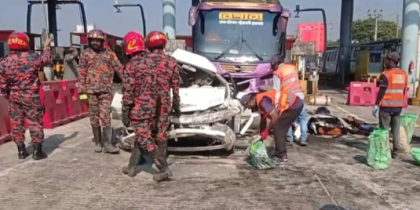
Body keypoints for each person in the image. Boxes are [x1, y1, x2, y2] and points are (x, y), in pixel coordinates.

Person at [121, 30, 179, 182]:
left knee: (144, 137)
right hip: (158, 106)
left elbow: (128, 93)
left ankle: (164, 169)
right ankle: (132, 167)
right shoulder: (161, 62)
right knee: (146, 136)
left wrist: (125, 112)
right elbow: (171, 86)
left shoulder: (133, 65)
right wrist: (175, 105)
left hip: (140, 108)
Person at [0, 32, 51, 160]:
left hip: (14, 97)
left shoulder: (4, 61)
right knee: (35, 122)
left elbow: (2, 83)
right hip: (31, 96)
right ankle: (37, 151)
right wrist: (47, 47)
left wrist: (7, 95)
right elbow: (47, 59)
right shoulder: (33, 57)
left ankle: (21, 151)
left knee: (17, 123)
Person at [78, 29, 123, 154]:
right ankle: (98, 142)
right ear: (90, 41)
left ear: (102, 41)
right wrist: (82, 94)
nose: (96, 43)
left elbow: (119, 68)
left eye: (98, 40)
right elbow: (81, 74)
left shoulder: (109, 54)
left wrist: (128, 81)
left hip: (105, 91)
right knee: (93, 117)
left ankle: (108, 143)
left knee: (106, 116)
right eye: (93, 40)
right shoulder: (85, 54)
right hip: (90, 91)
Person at [240, 88, 304, 163]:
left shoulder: (262, 101)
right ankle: (281, 154)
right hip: (294, 103)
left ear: (249, 102)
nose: (249, 108)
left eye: (248, 106)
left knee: (278, 129)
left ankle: (281, 156)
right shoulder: (259, 102)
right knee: (279, 129)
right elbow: (263, 119)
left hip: (294, 104)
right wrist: (261, 135)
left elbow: (275, 117)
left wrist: (267, 130)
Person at [372, 52, 408, 159]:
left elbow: (382, 91)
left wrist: (376, 104)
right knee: (395, 130)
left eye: (387, 60)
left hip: (386, 106)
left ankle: (384, 151)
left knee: (384, 130)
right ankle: (395, 152)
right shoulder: (404, 74)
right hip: (398, 107)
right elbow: (403, 90)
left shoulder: (386, 74)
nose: (385, 61)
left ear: (392, 61)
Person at [270, 56, 308, 146]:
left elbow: (276, 90)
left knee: (288, 118)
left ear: (275, 64)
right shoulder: (292, 67)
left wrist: (275, 104)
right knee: (302, 118)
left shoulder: (277, 73)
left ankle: (289, 138)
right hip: (300, 94)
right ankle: (303, 139)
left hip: (289, 97)